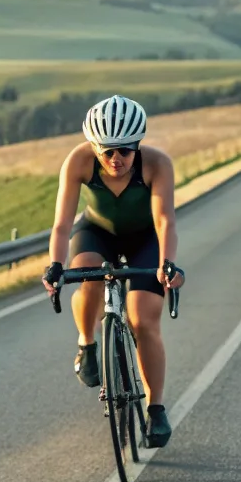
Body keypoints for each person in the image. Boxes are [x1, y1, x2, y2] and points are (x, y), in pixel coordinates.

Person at [40, 95, 186, 447]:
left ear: (138, 146)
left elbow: (165, 220)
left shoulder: (157, 164)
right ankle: (87, 343)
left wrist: (167, 264)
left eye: (124, 150)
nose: (115, 159)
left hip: (144, 238)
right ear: (94, 147)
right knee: (85, 273)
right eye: (106, 151)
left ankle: (156, 408)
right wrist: (55, 266)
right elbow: (61, 225)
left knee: (143, 320)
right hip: (97, 232)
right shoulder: (78, 161)